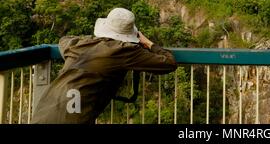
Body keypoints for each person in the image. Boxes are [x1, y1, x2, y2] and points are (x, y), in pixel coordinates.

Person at [31, 8, 177, 124]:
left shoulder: (79, 45)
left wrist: (93, 41)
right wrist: (148, 43)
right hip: (73, 118)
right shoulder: (125, 50)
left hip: (45, 110)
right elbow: (169, 63)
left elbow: (64, 40)